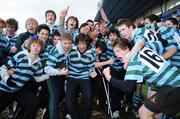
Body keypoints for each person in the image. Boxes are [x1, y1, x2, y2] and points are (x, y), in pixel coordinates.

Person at [103, 39, 180, 119]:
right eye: (114, 52)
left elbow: (128, 87)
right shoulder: (145, 47)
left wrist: (108, 77)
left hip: (173, 86)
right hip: (175, 81)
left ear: (127, 48)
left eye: (118, 51)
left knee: (143, 113)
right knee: (157, 114)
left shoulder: (133, 61)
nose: (116, 54)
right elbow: (164, 41)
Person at [0, 38, 49, 119]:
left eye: (38, 46)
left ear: (41, 49)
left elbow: (38, 78)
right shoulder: (21, 55)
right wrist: (7, 79)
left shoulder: (39, 63)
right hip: (5, 88)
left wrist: (48, 75)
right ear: (30, 46)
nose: (36, 48)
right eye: (33, 45)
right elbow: (4, 68)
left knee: (34, 103)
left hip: (18, 90)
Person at [65, 33, 97, 119]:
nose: (82, 46)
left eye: (84, 44)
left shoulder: (91, 53)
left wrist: (92, 72)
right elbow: (65, 62)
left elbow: (90, 66)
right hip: (72, 76)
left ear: (87, 44)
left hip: (84, 77)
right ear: (76, 44)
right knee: (69, 99)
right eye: (79, 44)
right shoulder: (71, 51)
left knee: (88, 97)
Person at [44, 32, 73, 119]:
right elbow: (47, 69)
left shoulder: (69, 50)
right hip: (52, 78)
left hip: (62, 76)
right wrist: (60, 72)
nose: (67, 46)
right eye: (65, 43)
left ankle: (47, 115)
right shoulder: (56, 52)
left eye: (69, 43)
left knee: (61, 96)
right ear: (60, 42)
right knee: (54, 98)